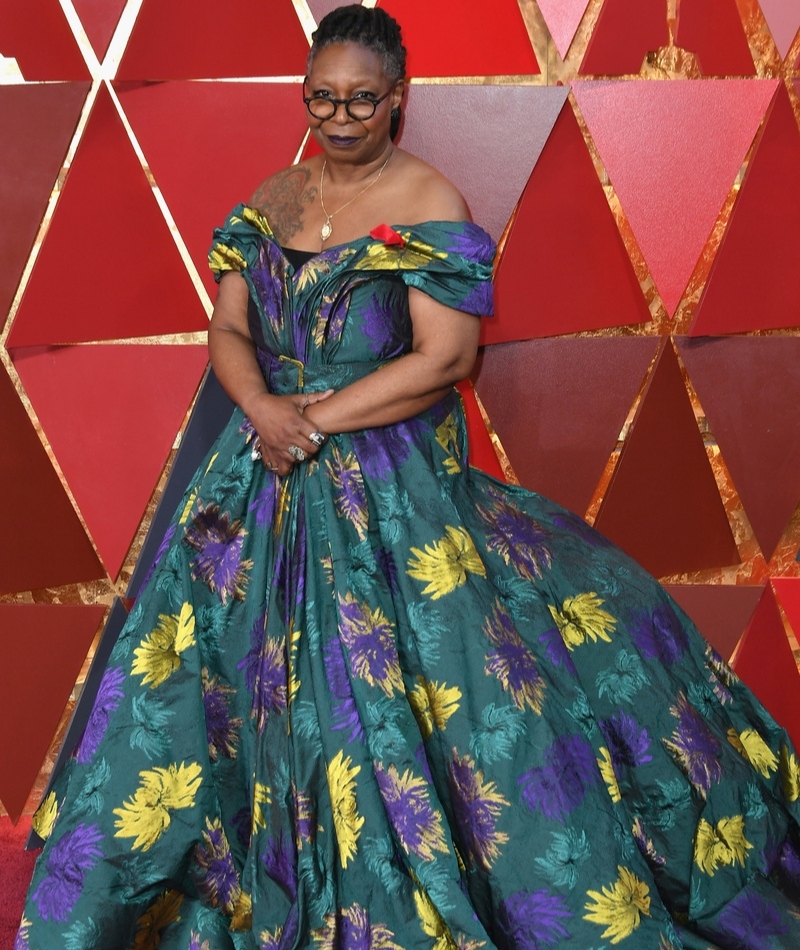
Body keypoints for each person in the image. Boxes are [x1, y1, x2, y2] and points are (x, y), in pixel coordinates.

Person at [15, 6, 800, 949]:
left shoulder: (431, 202)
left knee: (413, 693)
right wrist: (263, 411)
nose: (339, 116)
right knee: (201, 689)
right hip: (256, 478)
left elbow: (444, 361)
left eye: (360, 99)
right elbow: (228, 332)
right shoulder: (270, 198)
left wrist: (307, 420)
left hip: (388, 484)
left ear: (398, 96)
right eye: (321, 97)